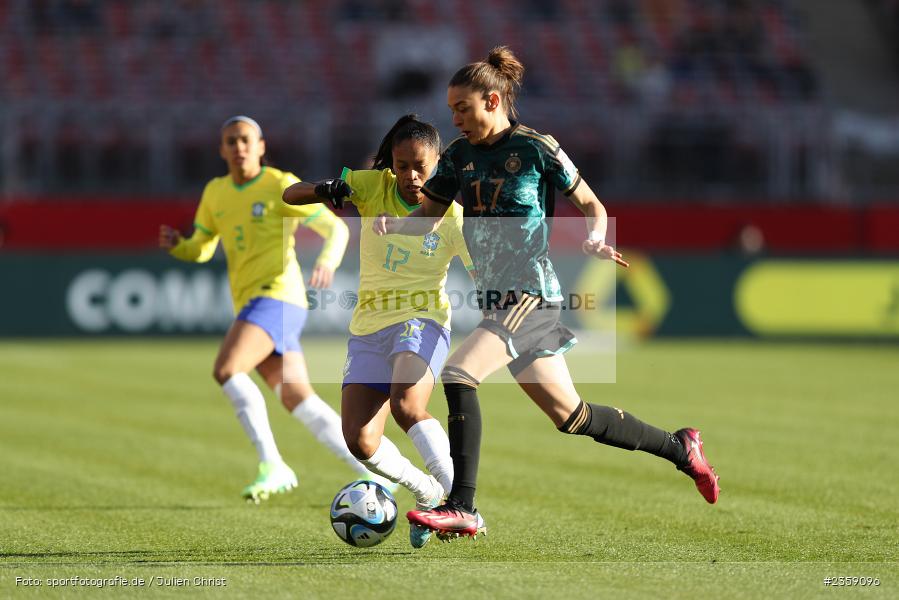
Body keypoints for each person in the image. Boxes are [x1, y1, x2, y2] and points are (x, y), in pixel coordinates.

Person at [375, 47, 720, 539]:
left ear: (492, 100)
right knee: (571, 416)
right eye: (451, 109)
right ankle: (680, 446)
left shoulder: (538, 148)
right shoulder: (457, 157)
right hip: (499, 301)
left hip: (530, 295)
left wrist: (597, 235)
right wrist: (393, 226)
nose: (454, 119)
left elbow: (590, 202)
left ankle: (463, 506)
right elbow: (428, 215)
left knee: (458, 373)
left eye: (462, 109)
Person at [160, 115, 385, 503]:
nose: (238, 146)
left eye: (245, 139)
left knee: (227, 369)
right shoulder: (215, 192)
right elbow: (202, 246)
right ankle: (379, 471)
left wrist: (328, 261)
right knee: (299, 400)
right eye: (230, 141)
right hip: (255, 302)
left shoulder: (279, 185)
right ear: (221, 149)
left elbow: (337, 229)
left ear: (261, 146)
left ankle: (272, 464)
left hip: (278, 297)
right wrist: (180, 245)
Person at [282, 115, 475, 547]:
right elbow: (289, 194)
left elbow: (483, 271)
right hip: (369, 327)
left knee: (408, 404)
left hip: (423, 319)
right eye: (402, 165)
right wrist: (327, 188)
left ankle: (462, 503)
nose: (411, 176)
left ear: (439, 164)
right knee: (360, 441)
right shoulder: (372, 187)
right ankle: (427, 491)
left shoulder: (454, 216)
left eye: (420, 166)